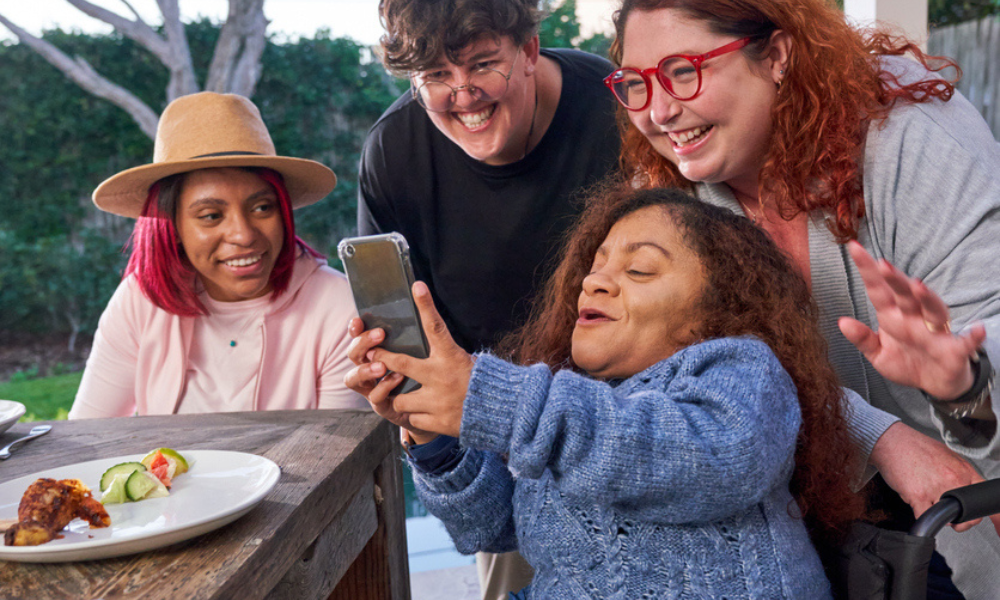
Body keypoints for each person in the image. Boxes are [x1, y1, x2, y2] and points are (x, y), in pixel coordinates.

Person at [606, 0, 1000, 596]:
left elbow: (988, 326)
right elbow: (700, 383)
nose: (660, 111)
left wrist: (964, 382)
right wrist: (880, 435)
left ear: (778, 56)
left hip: (968, 511)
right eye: (636, 84)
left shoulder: (912, 141)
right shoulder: (669, 196)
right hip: (811, 532)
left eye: (684, 70)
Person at [346, 187, 867, 598]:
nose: (594, 282)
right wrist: (432, 433)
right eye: (593, 267)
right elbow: (495, 526)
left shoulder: (739, 367)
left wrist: (497, 401)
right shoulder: (581, 398)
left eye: (638, 269)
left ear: (717, 311)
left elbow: (718, 456)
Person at [358, 0, 620, 596]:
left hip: (634, 411)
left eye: (482, 65)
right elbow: (407, 336)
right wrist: (405, 395)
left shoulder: (616, 108)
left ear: (529, 51)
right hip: (500, 447)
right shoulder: (394, 154)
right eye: (436, 78)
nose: (464, 94)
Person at [69, 92, 366, 419]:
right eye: (211, 215)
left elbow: (339, 449)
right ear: (173, 227)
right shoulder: (139, 300)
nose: (243, 234)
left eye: (262, 207)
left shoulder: (338, 305)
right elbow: (90, 433)